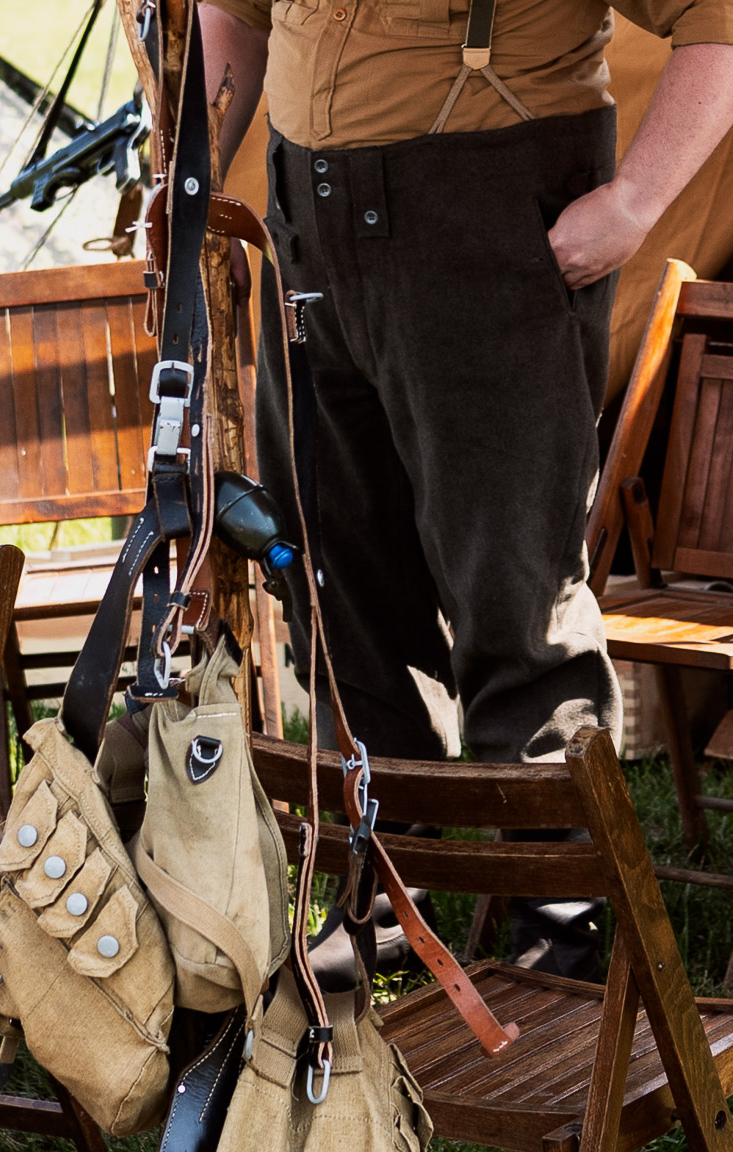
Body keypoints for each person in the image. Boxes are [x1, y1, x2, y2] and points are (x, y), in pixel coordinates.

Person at [199, 0, 733, 978]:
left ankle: (554, 920)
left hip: (482, 211)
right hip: (307, 225)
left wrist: (630, 206)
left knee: (511, 594)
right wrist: (197, 163)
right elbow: (230, 13)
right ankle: (378, 898)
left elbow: (716, 24)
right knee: (336, 587)